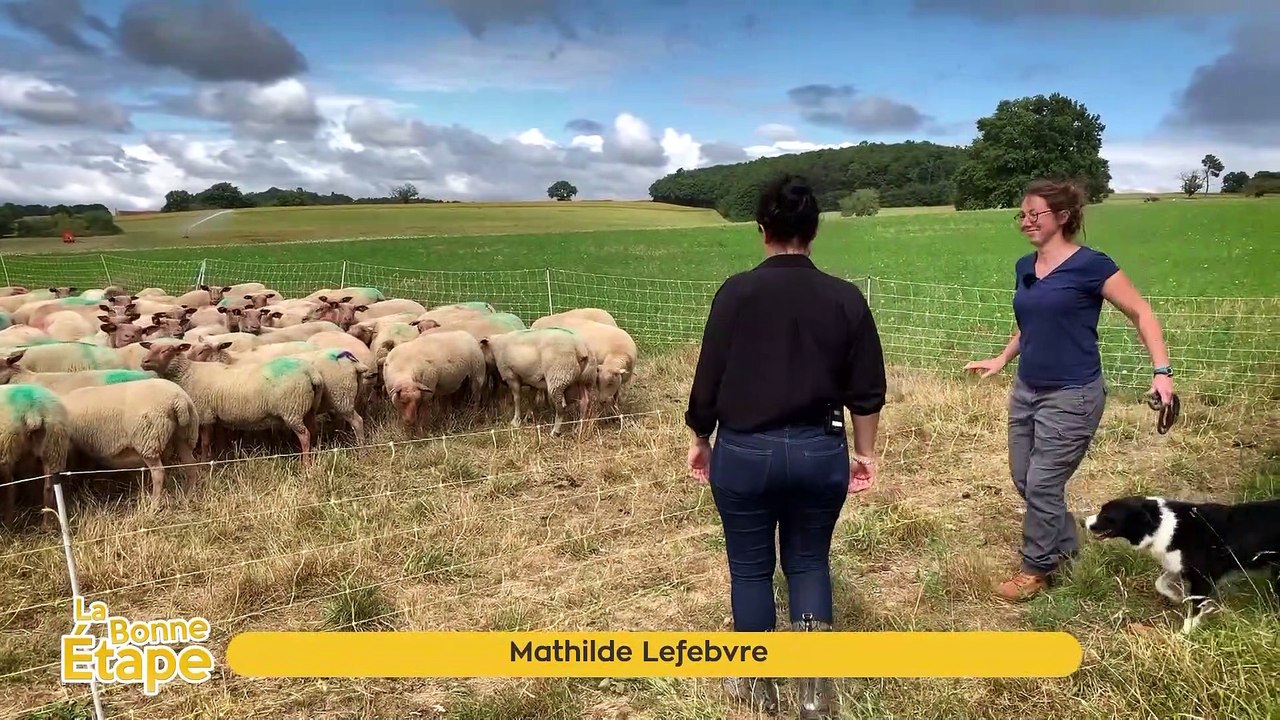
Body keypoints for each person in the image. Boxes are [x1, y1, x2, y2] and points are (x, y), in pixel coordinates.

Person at [685, 174, 886, 719]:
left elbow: (710, 376)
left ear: (762, 230)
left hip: (745, 452)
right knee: (809, 565)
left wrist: (701, 436)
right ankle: (816, 694)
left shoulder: (735, 292)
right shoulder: (845, 298)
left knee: (750, 571)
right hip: (821, 450)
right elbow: (866, 391)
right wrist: (863, 455)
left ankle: (755, 687)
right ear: (814, 229)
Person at [965, 178, 1174, 602]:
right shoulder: (1026, 267)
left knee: (1042, 484)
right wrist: (1003, 357)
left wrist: (1162, 371)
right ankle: (1068, 546)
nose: (1026, 222)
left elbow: (1141, 312)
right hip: (1027, 389)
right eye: (1021, 215)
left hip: (1073, 393)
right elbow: (1031, 323)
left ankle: (1035, 568)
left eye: (1034, 214)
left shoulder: (1092, 265)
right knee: (1025, 477)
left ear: (1062, 217)